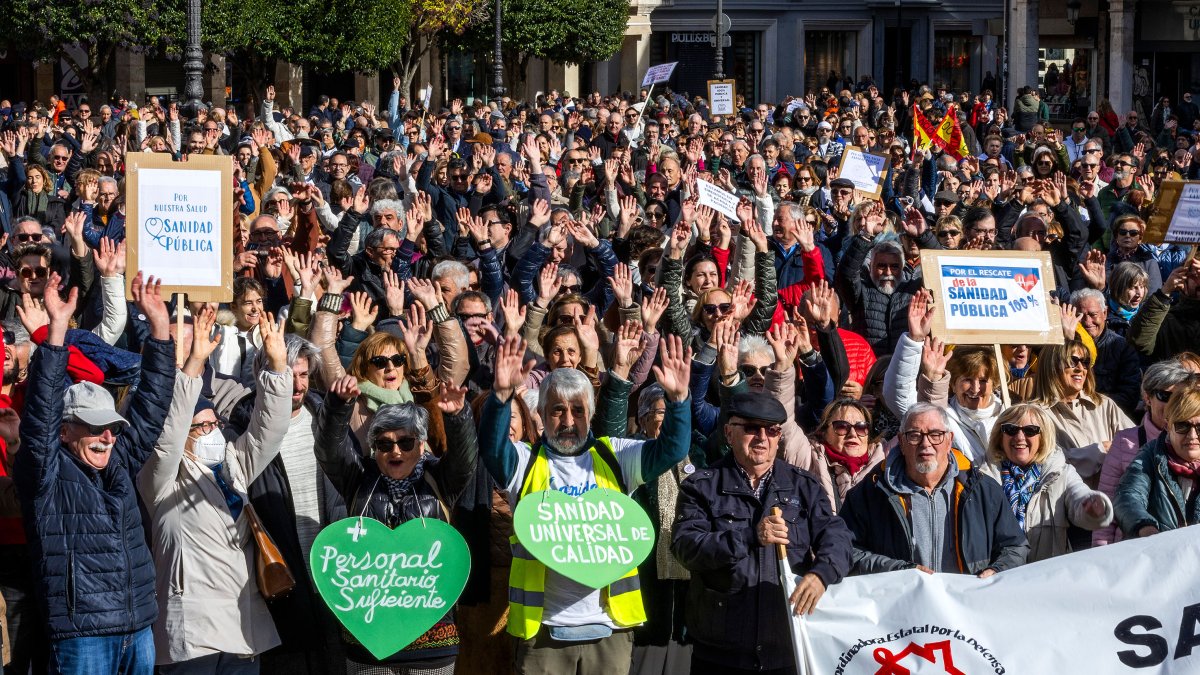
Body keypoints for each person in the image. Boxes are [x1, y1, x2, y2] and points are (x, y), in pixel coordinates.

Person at [477, 335, 691, 675]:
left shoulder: (616, 455)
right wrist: (501, 396)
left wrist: (679, 402)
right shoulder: (525, 462)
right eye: (557, 410)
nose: (567, 420)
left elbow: (672, 450)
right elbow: (491, 447)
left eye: (578, 410)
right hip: (543, 629)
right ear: (542, 415)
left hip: (610, 627)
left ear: (590, 413)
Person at [14, 273, 175, 675]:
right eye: (93, 426)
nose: (106, 436)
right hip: (81, 639)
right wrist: (55, 335)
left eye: (111, 427)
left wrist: (159, 332)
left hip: (137, 630)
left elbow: (153, 406)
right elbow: (39, 417)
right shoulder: (44, 474)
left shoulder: (118, 460)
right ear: (64, 431)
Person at [138, 307, 292, 673]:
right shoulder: (161, 478)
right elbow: (167, 435)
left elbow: (269, 430)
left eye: (214, 423)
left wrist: (278, 368)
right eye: (201, 427)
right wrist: (193, 365)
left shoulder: (232, 464)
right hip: (193, 629)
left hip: (242, 621)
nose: (213, 432)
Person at [672, 391, 851, 675]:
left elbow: (838, 536)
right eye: (752, 428)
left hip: (787, 648)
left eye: (772, 430)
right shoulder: (701, 486)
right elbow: (686, 547)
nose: (762, 437)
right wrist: (747, 536)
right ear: (729, 433)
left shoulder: (803, 485)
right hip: (720, 653)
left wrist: (821, 575)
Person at [315, 374, 478, 674]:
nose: (396, 452)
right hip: (368, 641)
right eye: (385, 444)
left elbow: (466, 460)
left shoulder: (440, 479)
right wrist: (338, 405)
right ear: (373, 446)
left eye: (405, 442)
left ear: (422, 443)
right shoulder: (358, 478)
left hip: (432, 640)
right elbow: (329, 450)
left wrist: (458, 417)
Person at [840, 402, 1029, 575]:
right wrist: (899, 571)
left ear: (949, 441)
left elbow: (1015, 546)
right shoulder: (871, 492)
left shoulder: (982, 489)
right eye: (914, 435)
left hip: (967, 605)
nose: (926, 443)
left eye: (935, 435)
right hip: (900, 605)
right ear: (901, 442)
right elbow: (846, 551)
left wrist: (997, 570)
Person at [979, 404, 1111, 562]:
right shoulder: (982, 476)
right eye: (1011, 429)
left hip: (1046, 577)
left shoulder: (1061, 472)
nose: (1020, 437)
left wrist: (1093, 506)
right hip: (998, 576)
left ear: (1043, 437)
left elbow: (1079, 496)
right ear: (1000, 436)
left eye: (1030, 430)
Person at [1094, 361, 1196, 546]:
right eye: (1165, 396)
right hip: (1137, 550)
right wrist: (1101, 556)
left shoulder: (1194, 441)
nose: (1172, 403)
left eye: (1178, 396)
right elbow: (1109, 505)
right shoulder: (1127, 443)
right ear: (1147, 398)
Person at [1115, 385, 1200, 537]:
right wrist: (1144, 526)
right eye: (1182, 426)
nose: (1192, 435)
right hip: (1161, 555)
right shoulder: (1150, 455)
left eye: (1199, 427)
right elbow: (1128, 495)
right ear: (1168, 426)